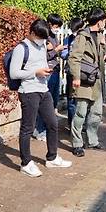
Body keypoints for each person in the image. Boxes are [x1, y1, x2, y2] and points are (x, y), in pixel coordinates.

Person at [9, 19, 72, 177]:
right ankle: (26, 163)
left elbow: (42, 62)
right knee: (27, 128)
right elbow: (14, 73)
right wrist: (35, 72)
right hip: (29, 91)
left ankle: (52, 157)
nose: (43, 41)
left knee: (52, 123)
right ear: (32, 33)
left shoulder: (42, 44)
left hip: (43, 89)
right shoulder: (21, 48)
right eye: (41, 37)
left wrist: (46, 70)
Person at [68, 8, 106, 157]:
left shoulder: (99, 36)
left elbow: (100, 56)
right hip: (84, 80)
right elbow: (74, 58)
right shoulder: (82, 37)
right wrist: (76, 77)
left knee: (96, 112)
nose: (105, 23)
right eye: (104, 21)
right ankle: (77, 143)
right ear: (100, 22)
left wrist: (104, 47)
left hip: (96, 79)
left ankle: (92, 140)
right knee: (80, 113)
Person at [34, 13, 66, 141]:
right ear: (50, 24)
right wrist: (55, 50)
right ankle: (39, 130)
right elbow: (41, 56)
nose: (57, 29)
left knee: (52, 103)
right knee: (44, 103)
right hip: (46, 73)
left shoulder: (54, 37)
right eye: (56, 26)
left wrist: (61, 52)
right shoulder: (43, 38)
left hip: (55, 71)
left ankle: (47, 128)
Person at [64, 17, 84, 128]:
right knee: (71, 99)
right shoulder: (69, 39)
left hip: (82, 73)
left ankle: (81, 124)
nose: (74, 33)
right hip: (70, 72)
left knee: (81, 100)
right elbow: (63, 53)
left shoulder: (86, 39)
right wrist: (70, 55)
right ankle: (71, 123)